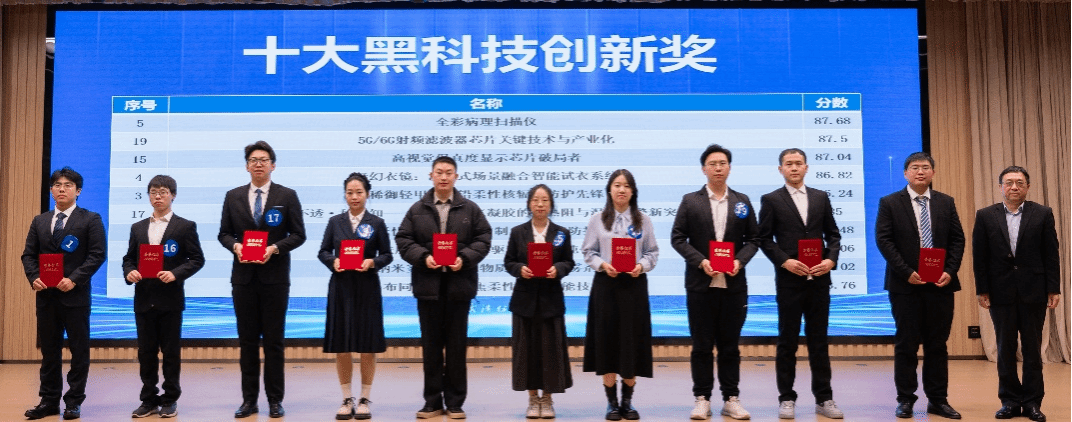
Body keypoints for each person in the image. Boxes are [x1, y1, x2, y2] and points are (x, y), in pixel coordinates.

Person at [396, 156, 492, 420]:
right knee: (431, 347)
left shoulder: (470, 209)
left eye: (449, 172)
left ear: (456, 177)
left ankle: (456, 402)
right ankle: (432, 402)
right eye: (439, 172)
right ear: (431, 175)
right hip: (428, 288)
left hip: (459, 288)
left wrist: (465, 258)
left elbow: (484, 238)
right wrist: (423, 257)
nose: (444, 177)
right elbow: (403, 239)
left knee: (457, 347)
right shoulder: (417, 209)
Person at [217, 141, 306, 418]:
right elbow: (224, 233)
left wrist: (274, 248)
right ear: (247, 166)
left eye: (264, 160)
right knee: (247, 343)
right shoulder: (233, 196)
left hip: (275, 279)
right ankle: (249, 401)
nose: (258, 164)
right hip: (243, 279)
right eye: (253, 160)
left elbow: (298, 234)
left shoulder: (287, 195)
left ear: (273, 165)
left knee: (274, 342)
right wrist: (235, 246)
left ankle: (275, 400)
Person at [671, 144, 759, 420]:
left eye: (722, 163)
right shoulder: (690, 201)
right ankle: (702, 399)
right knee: (701, 345)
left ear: (729, 167)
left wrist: (739, 261)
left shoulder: (742, 201)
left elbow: (753, 239)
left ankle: (731, 398)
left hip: (733, 285)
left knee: (730, 346)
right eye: (712, 164)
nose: (718, 168)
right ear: (704, 169)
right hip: (701, 285)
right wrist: (701, 261)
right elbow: (677, 238)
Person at [874, 152, 965, 419]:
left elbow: (957, 240)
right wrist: (906, 272)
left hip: (940, 285)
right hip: (905, 286)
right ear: (906, 173)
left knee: (937, 345)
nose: (920, 172)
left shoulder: (946, 202)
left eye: (925, 167)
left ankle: (938, 400)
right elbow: (884, 240)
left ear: (933, 173)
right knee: (907, 344)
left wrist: (949, 271)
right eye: (915, 168)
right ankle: (905, 399)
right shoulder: (890, 202)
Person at [757, 148, 844, 420]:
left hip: (819, 279)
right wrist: (785, 261)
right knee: (788, 342)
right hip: (789, 281)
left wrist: (830, 260)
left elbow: (833, 235)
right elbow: (764, 239)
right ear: (780, 169)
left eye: (798, 163)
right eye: (789, 164)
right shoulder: (771, 199)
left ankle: (824, 398)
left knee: (819, 341)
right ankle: (786, 398)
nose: (794, 168)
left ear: (806, 167)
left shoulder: (820, 197)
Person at [973, 166, 1060, 422]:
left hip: (1034, 291)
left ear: (1027, 187)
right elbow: (980, 256)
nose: (1014, 187)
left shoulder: (1042, 213)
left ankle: (1032, 403)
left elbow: (1051, 253)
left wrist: (1053, 288)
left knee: (1032, 350)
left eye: (1020, 183)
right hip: (1000, 293)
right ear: (1001, 186)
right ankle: (1009, 401)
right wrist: (982, 289)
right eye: (1009, 182)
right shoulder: (985, 215)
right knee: (1005, 349)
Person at [20, 167, 106, 421]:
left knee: (79, 351)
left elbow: (97, 254)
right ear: (51, 190)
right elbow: (28, 255)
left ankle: (74, 402)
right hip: (46, 297)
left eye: (68, 185)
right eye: (57, 185)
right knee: (49, 351)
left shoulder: (90, 219)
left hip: (75, 296)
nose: (62, 189)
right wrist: (33, 277)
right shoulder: (40, 221)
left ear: (78, 191)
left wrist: (75, 279)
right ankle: (48, 401)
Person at [122, 175, 206, 419]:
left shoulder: (185, 226)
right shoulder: (138, 228)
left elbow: (197, 259)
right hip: (144, 299)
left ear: (173, 195)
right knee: (146, 353)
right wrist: (129, 272)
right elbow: (129, 259)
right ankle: (148, 399)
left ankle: (170, 399)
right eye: (153, 192)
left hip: (170, 300)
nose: (157, 196)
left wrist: (175, 273)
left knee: (170, 353)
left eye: (163, 192)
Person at [581, 169, 659, 421]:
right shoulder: (597, 220)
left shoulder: (643, 220)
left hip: (634, 287)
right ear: (609, 190)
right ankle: (611, 403)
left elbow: (652, 252)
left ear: (633, 191)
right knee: (607, 343)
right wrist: (603, 265)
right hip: (606, 286)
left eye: (626, 186)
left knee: (631, 342)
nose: (621, 189)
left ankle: (628, 401)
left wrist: (641, 266)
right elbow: (588, 252)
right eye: (617, 185)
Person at [317, 172, 393, 420]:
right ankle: (346, 398)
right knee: (342, 346)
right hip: (341, 288)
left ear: (367, 194)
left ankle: (364, 398)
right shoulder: (335, 222)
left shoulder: (377, 223)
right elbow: (323, 251)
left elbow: (387, 255)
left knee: (367, 346)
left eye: (359, 192)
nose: (354, 197)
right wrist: (333, 261)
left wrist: (372, 262)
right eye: (350, 192)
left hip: (367, 288)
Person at [503, 184, 576, 419]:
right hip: (525, 302)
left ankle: (548, 399)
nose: (540, 204)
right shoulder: (518, 232)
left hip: (551, 302)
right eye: (535, 200)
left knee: (550, 352)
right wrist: (519, 269)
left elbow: (569, 262)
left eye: (545, 200)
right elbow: (508, 261)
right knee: (528, 353)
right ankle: (533, 399)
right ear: (529, 204)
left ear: (551, 204)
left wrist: (558, 269)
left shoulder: (561, 233)